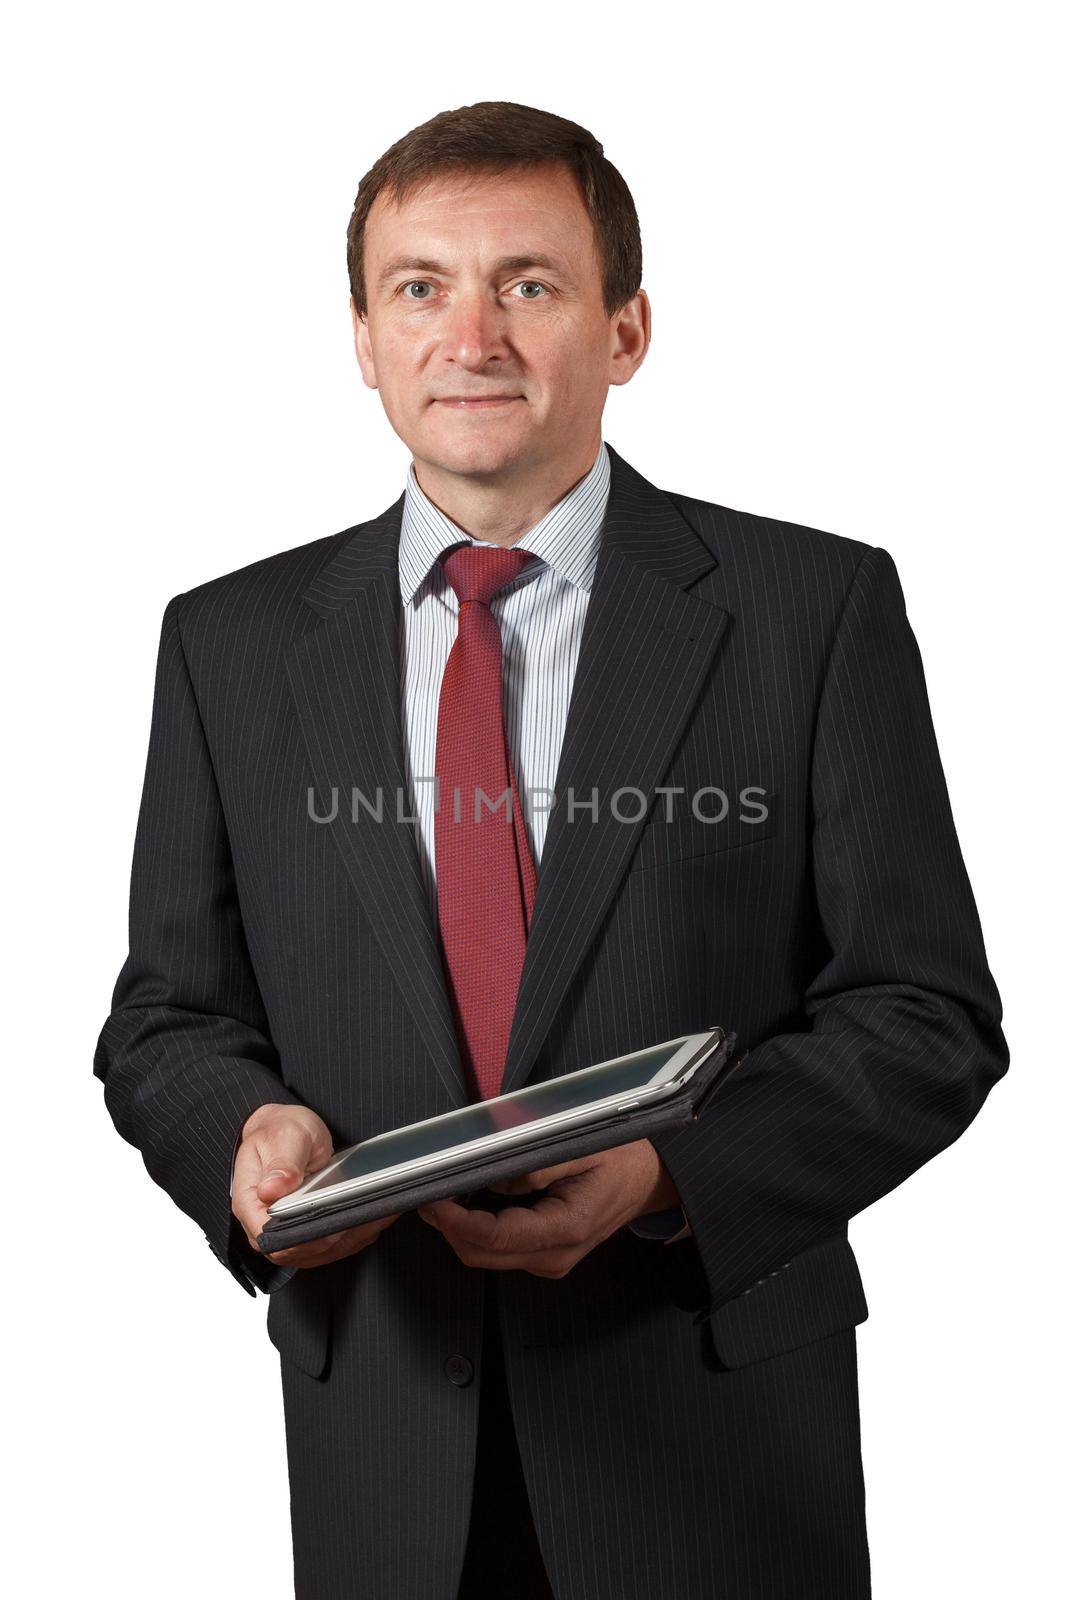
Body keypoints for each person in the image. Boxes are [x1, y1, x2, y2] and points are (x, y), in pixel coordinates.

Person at [93, 100, 1009, 1600]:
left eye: (528, 283)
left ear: (625, 329)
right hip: (383, 1431)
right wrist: (244, 1139)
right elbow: (169, 1020)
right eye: (419, 288)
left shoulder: (812, 613)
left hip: (711, 1433)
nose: (473, 336)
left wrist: (667, 1177)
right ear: (363, 338)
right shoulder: (230, 646)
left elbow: (924, 1015)